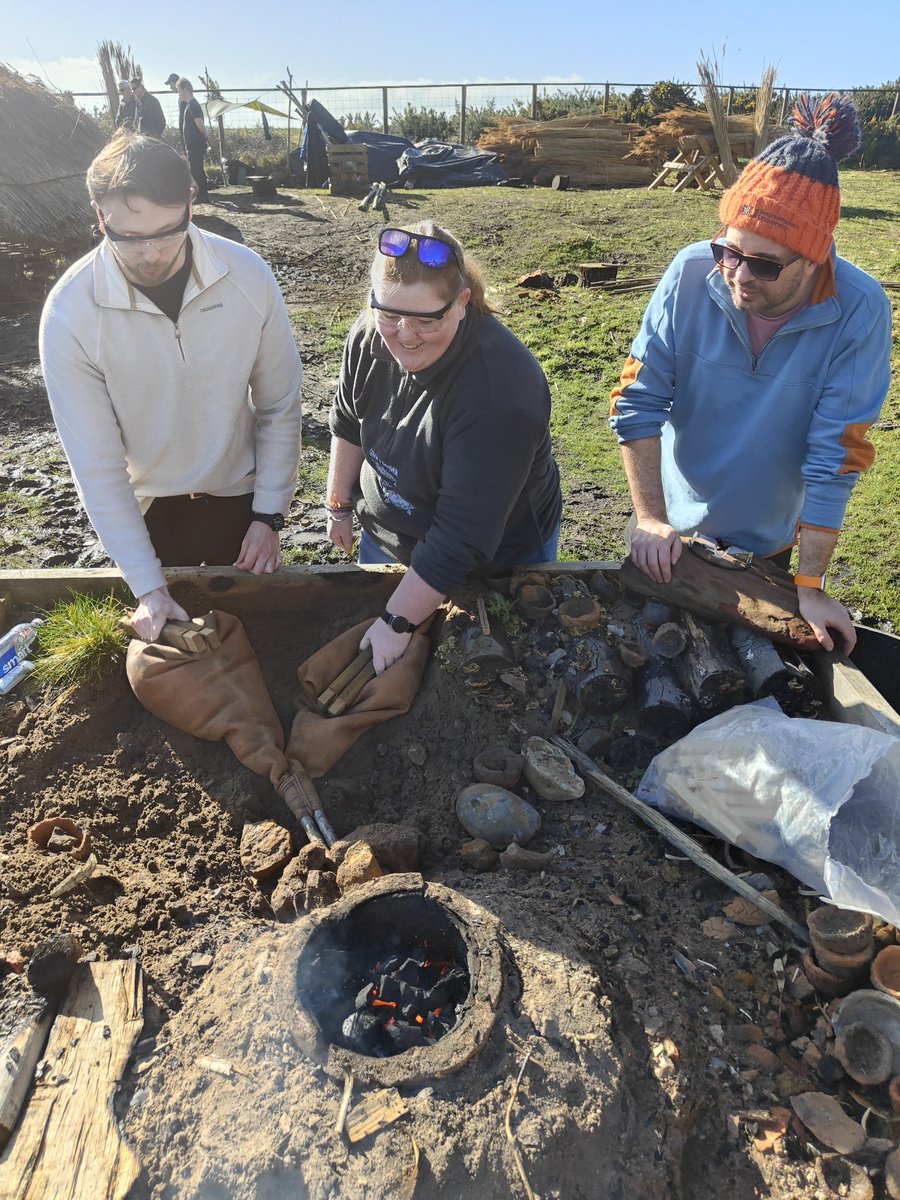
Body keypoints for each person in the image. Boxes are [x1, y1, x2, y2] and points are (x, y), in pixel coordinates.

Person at [609, 94, 891, 654]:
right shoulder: (690, 274)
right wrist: (650, 518)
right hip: (673, 529)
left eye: (764, 264)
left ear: (815, 259)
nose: (738, 276)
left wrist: (809, 585)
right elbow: (637, 400)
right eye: (730, 252)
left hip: (769, 538)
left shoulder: (860, 311)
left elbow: (835, 455)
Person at [39, 133, 303, 641]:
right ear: (100, 217)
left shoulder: (248, 277)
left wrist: (270, 515)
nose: (153, 253)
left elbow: (278, 404)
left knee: (256, 641)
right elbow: (95, 462)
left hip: (240, 497)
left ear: (189, 200)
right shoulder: (70, 313)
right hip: (149, 508)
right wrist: (145, 583)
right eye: (131, 237)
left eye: (169, 230)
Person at [327, 222, 562, 674]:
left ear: (460, 305)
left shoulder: (500, 393)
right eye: (389, 313)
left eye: (425, 319)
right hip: (389, 538)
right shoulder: (370, 335)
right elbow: (348, 419)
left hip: (491, 560)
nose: (404, 335)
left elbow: (463, 537)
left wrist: (396, 621)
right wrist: (339, 503)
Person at [176, 77, 209, 201]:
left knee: (196, 170)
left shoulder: (193, 105)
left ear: (185, 89)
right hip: (193, 144)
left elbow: (199, 124)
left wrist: (206, 137)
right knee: (197, 169)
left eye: (179, 90)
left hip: (196, 144)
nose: (179, 94)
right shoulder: (190, 105)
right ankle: (203, 194)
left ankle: (202, 195)